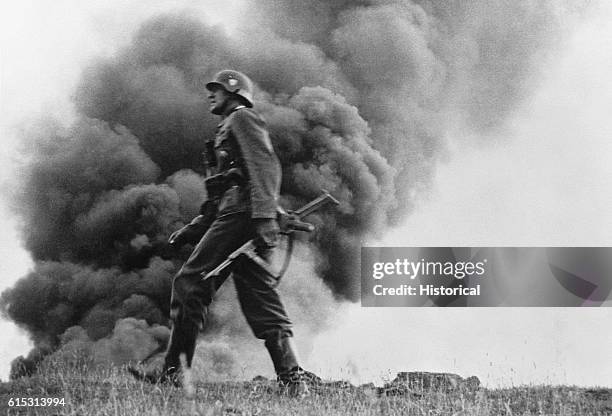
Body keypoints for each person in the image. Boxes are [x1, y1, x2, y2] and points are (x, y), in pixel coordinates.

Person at [129, 70, 309, 395]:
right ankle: (292, 379)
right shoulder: (221, 132)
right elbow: (218, 195)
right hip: (237, 216)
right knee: (259, 295)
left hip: (243, 216)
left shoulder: (242, 119)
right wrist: (193, 229)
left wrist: (266, 217)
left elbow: (265, 166)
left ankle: (174, 373)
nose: (210, 94)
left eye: (216, 89)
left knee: (189, 284)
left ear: (235, 91)